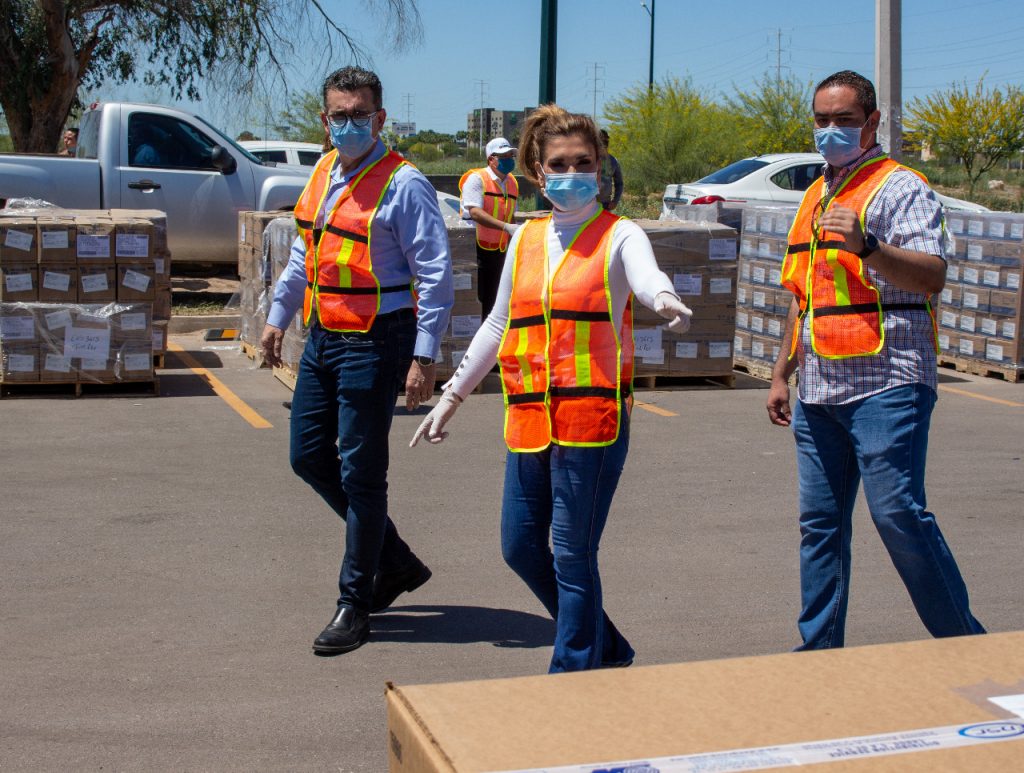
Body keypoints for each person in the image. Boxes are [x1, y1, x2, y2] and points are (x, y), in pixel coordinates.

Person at [410, 105, 693, 673]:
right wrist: (451, 397)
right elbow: (498, 324)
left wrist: (661, 297)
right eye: (559, 164)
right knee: (519, 546)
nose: (573, 173)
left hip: (592, 425)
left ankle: (572, 674)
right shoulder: (528, 238)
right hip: (529, 422)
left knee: (571, 552)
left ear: (601, 165)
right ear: (539, 174)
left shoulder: (620, 234)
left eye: (584, 162)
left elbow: (643, 273)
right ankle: (605, 646)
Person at [766, 70, 986, 650]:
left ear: (872, 122)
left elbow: (932, 275)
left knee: (897, 513)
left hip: (886, 378)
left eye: (844, 120)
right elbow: (802, 292)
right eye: (822, 120)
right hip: (817, 386)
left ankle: (965, 644)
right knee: (820, 527)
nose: (831, 131)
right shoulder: (816, 194)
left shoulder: (901, 187)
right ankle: (817, 653)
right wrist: (780, 372)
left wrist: (867, 245)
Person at [260, 66, 454, 656]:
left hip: (377, 339)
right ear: (325, 120)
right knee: (307, 456)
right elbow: (303, 254)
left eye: (359, 114)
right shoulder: (322, 172)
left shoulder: (404, 183)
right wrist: (275, 318)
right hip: (323, 336)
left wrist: (424, 357)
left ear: (380, 118)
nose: (348, 124)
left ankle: (355, 600)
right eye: (338, 115)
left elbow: (436, 275)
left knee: (361, 475)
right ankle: (393, 561)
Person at [459, 137, 519, 320]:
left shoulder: (512, 183)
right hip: (477, 249)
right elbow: (475, 212)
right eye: (503, 156)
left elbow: (510, 213)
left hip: (500, 249)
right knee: (481, 298)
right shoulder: (477, 179)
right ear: (491, 159)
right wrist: (506, 227)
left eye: (510, 154)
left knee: (497, 299)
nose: (508, 158)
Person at [597, 129, 623, 211]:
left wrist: (615, 201)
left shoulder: (613, 161)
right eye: (600, 140)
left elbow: (619, 184)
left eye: (605, 140)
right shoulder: (587, 160)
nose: (603, 142)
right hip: (587, 206)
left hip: (605, 205)